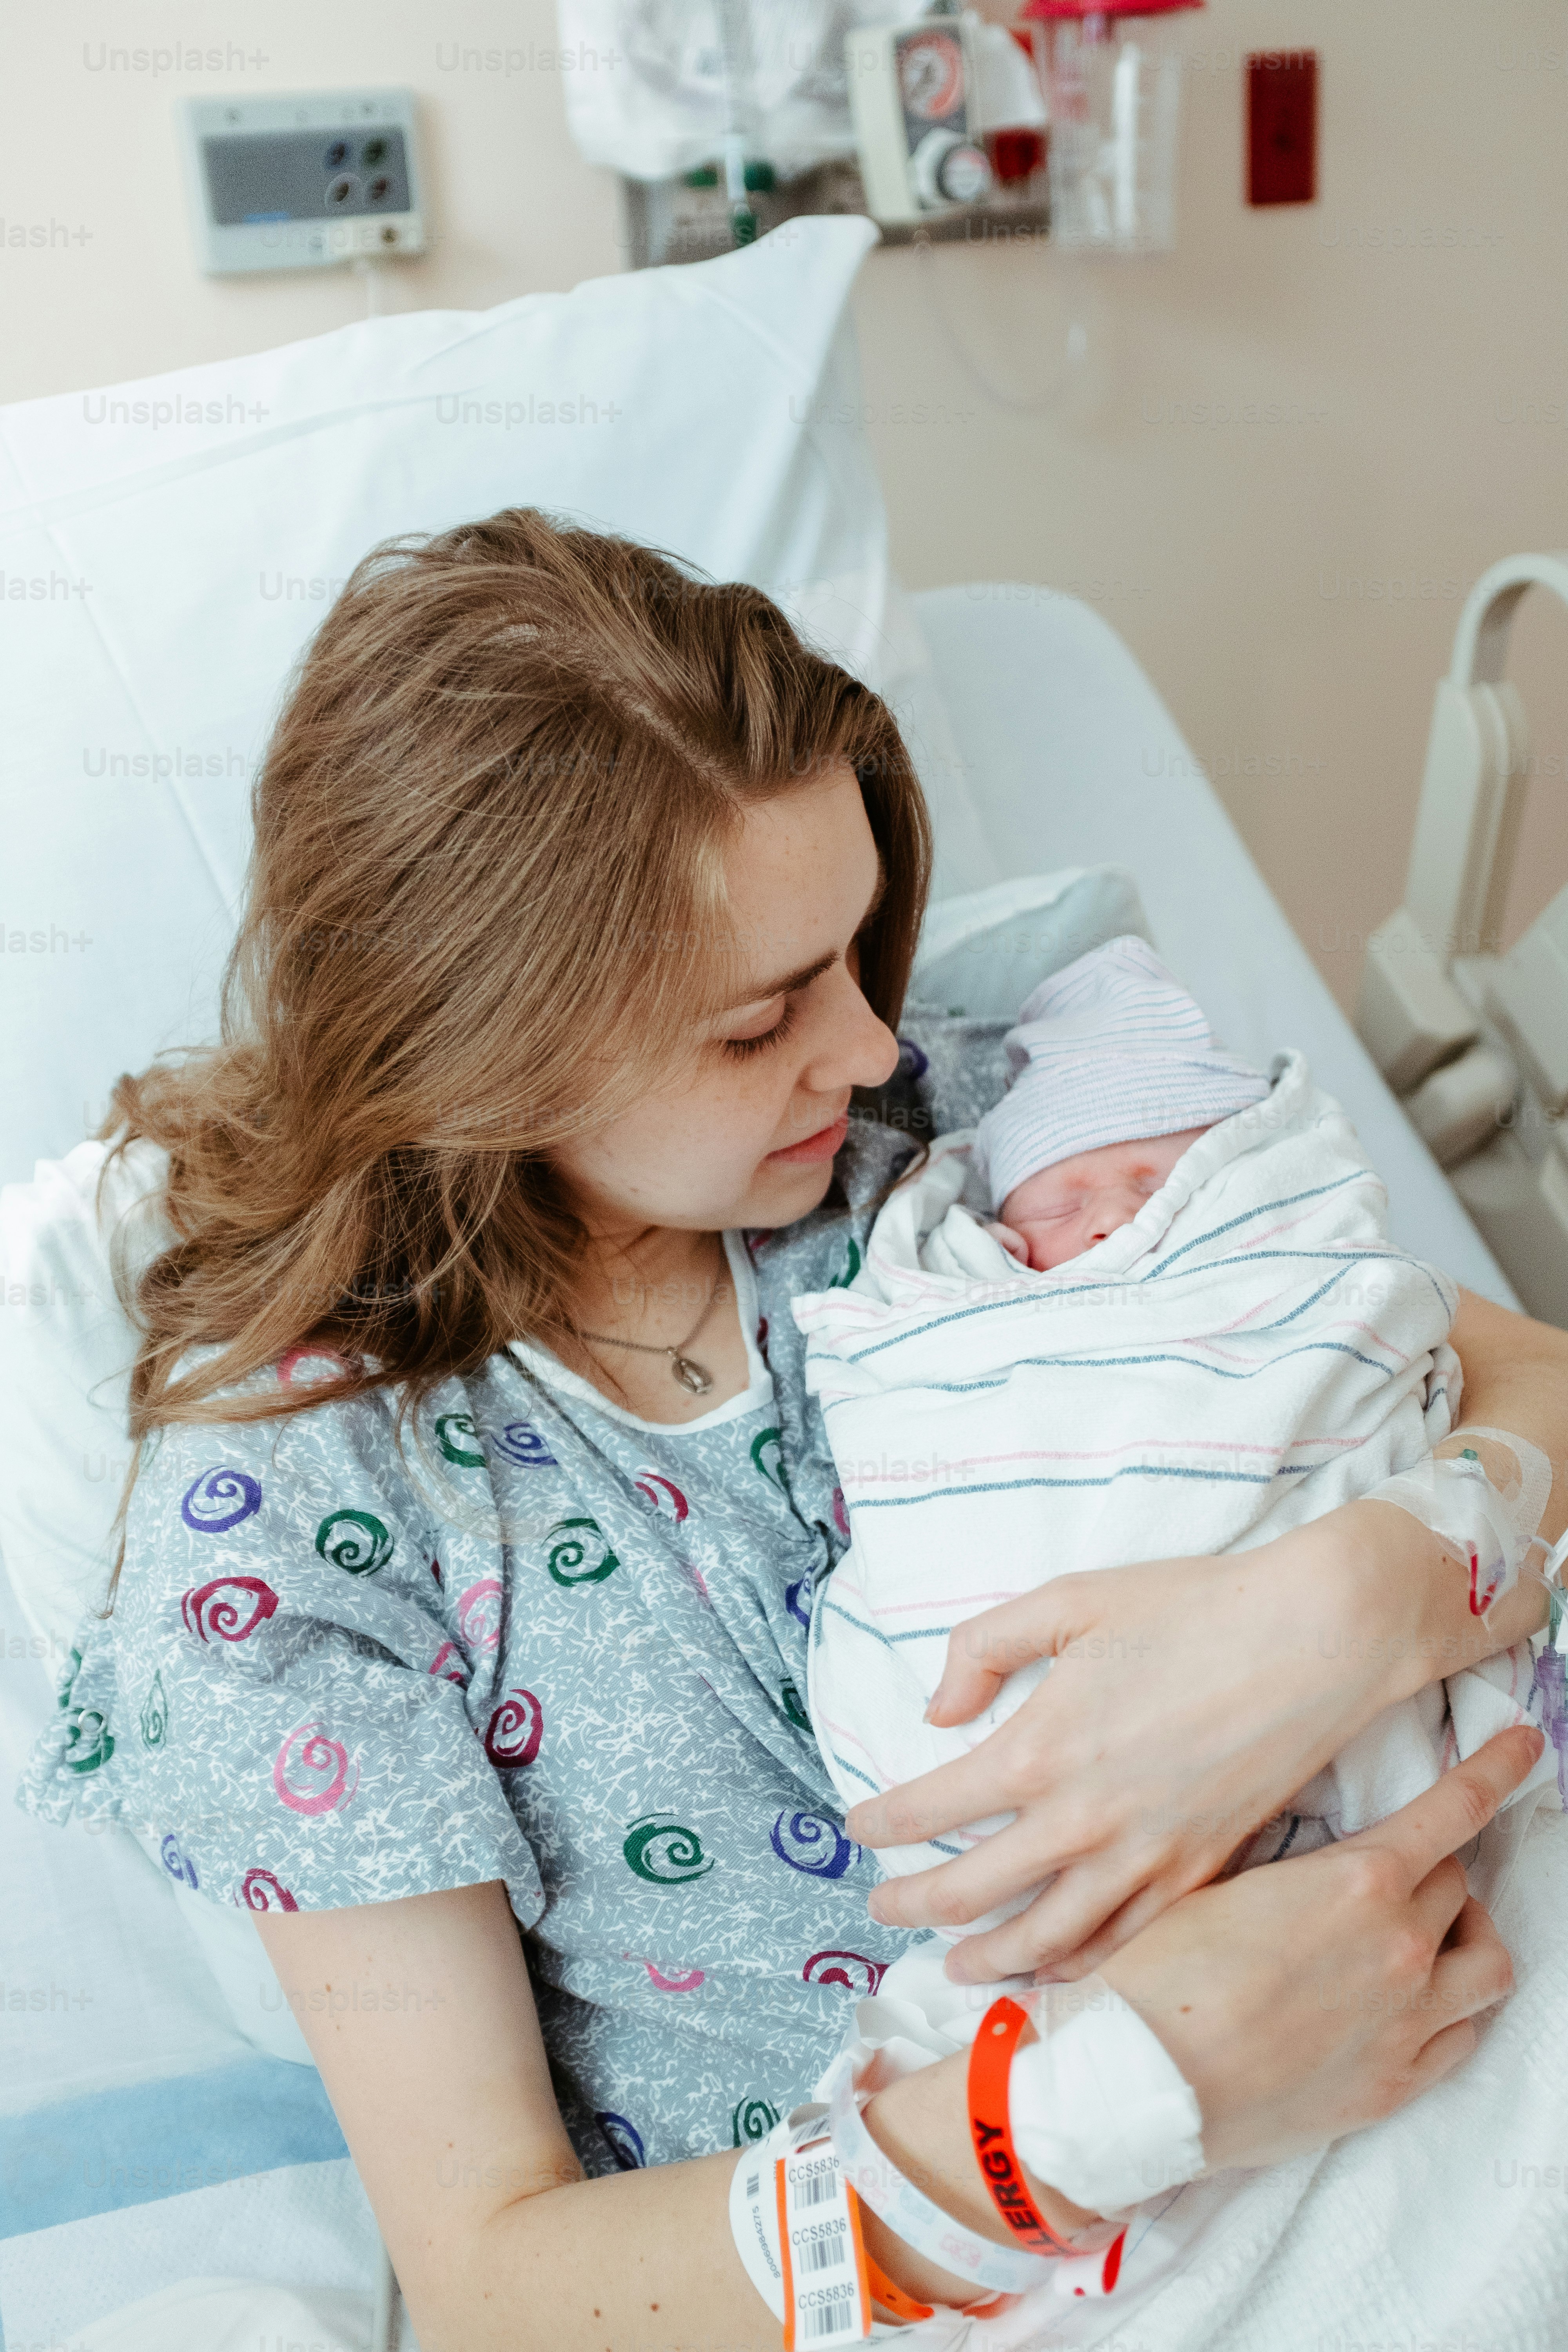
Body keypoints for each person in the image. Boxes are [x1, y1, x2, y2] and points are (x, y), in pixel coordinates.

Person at [19, 510, 1566, 2351]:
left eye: (853, 951)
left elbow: (1509, 1367)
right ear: (486, 1051)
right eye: (757, 1023)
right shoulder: (299, 1523)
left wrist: (1354, 1602)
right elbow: (500, 2276)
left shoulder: (977, 1123)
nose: (859, 1045)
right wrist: (1115, 2099)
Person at [799, 931, 1561, 1922]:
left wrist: (1368, 1583)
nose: (1114, 1221)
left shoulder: (1257, 1247)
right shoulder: (934, 1294)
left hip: (1398, 1746)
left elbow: (1518, 1369)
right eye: (1067, 1198)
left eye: (1154, 1185)